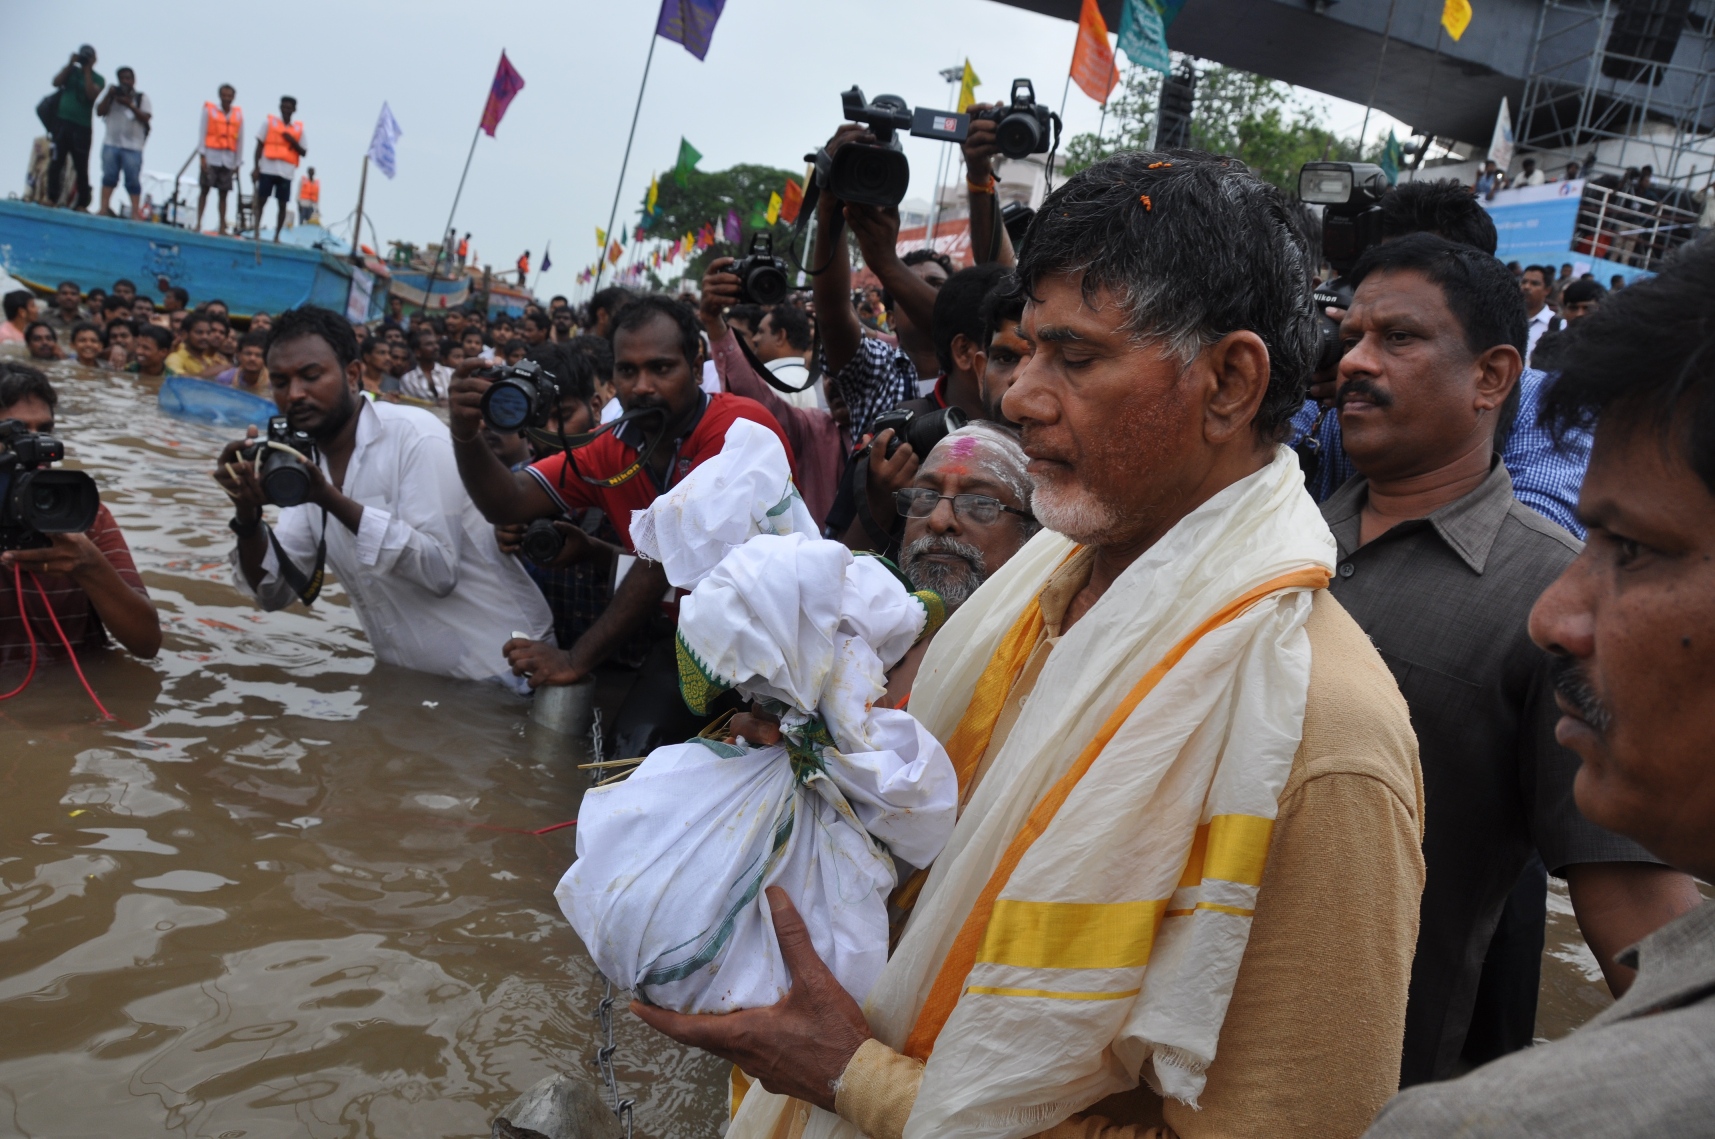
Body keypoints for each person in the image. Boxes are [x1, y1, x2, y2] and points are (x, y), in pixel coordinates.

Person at [653, 150, 1425, 1139]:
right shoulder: (1029, 590)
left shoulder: (1322, 733)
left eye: (1075, 357)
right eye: (1021, 352)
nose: (1016, 396)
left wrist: (854, 1075)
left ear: (1229, 380)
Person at [1362, 224, 1715, 1139]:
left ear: (1492, 375)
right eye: (1351, 332)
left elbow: (1633, 912)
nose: (1556, 617)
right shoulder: (1277, 542)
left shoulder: (1487, 1122)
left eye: (1634, 550)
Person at [447, 294, 794, 760]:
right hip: (690, 643)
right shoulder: (612, 447)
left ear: (695, 363)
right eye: (627, 372)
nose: (643, 386)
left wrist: (575, 659)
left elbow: (661, 566)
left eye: (660, 368)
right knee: (625, 758)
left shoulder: (737, 428)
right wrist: (465, 434)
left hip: (776, 649)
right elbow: (507, 503)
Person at [214, 306, 550, 684]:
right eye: (279, 382)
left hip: (510, 678)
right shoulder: (302, 464)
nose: (294, 395)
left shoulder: (414, 435)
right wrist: (246, 515)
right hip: (415, 691)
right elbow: (273, 593)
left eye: (311, 376)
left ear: (353, 374)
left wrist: (329, 499)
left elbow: (438, 571)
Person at [1291, 183, 1588, 536]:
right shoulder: (1332, 384)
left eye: (1400, 336)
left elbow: (1529, 549)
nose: (1357, 361)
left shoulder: (1545, 405)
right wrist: (1289, 382)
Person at [0, 364, 160, 665]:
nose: (35, 447)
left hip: (86, 693)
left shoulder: (82, 513)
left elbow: (147, 643)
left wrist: (90, 566)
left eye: (44, 431)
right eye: (17, 434)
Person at [882, 422, 1039, 706]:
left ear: (1035, 532)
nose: (939, 520)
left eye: (980, 503)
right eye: (926, 496)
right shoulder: (863, 635)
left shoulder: (1036, 667)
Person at [702, 261, 847, 524]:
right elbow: (761, 404)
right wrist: (714, 322)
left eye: (851, 369)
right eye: (828, 371)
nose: (834, 382)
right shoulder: (815, 428)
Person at [48, 46, 104, 210]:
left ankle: (82, 203)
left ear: (94, 60)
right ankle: (52, 198)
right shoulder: (71, 72)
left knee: (81, 166)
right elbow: (55, 82)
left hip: (82, 127)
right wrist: (69, 64)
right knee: (56, 162)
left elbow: (91, 95)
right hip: (62, 123)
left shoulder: (98, 79)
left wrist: (87, 71)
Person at [94, 66, 150, 219]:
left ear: (134, 80)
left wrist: (129, 105)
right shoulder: (112, 96)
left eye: (128, 78)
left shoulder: (140, 98)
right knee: (108, 177)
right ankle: (103, 208)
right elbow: (99, 111)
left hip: (133, 147)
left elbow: (146, 117)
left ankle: (134, 213)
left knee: (132, 180)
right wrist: (109, 95)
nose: (126, 82)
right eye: (123, 79)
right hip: (111, 143)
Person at [252, 96, 305, 242]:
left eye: (290, 107)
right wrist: (256, 167)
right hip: (267, 169)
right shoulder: (268, 123)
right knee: (261, 201)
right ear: (280, 107)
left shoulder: (298, 129)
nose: (287, 110)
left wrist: (292, 140)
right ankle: (256, 231)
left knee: (282, 204)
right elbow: (259, 146)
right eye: (284, 107)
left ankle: (277, 236)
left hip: (286, 173)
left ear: (294, 110)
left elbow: (304, 152)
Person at [751, 303, 818, 410]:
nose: (754, 339)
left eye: (761, 332)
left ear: (780, 336)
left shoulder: (776, 384)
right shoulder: (805, 378)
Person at [196, 85, 243, 234]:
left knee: (224, 193)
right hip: (211, 156)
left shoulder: (238, 115)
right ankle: (198, 223)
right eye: (224, 95)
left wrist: (237, 163)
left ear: (233, 97)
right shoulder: (209, 111)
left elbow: (240, 140)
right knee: (205, 190)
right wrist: (202, 156)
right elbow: (202, 132)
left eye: (230, 96)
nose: (227, 98)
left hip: (228, 159)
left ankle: (222, 226)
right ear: (220, 95)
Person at [165, 311, 225, 378]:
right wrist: (211, 372)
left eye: (208, 333)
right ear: (184, 334)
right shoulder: (174, 358)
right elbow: (178, 380)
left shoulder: (209, 361)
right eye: (199, 332)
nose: (205, 337)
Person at [1519, 264, 1558, 366]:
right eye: (1524, 282)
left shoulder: (1556, 324)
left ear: (1547, 290)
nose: (1526, 287)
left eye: (1534, 284)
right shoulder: (1507, 318)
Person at [400, 328, 451, 405]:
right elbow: (410, 406)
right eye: (429, 344)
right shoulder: (407, 379)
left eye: (436, 343)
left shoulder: (451, 373)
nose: (436, 347)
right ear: (417, 352)